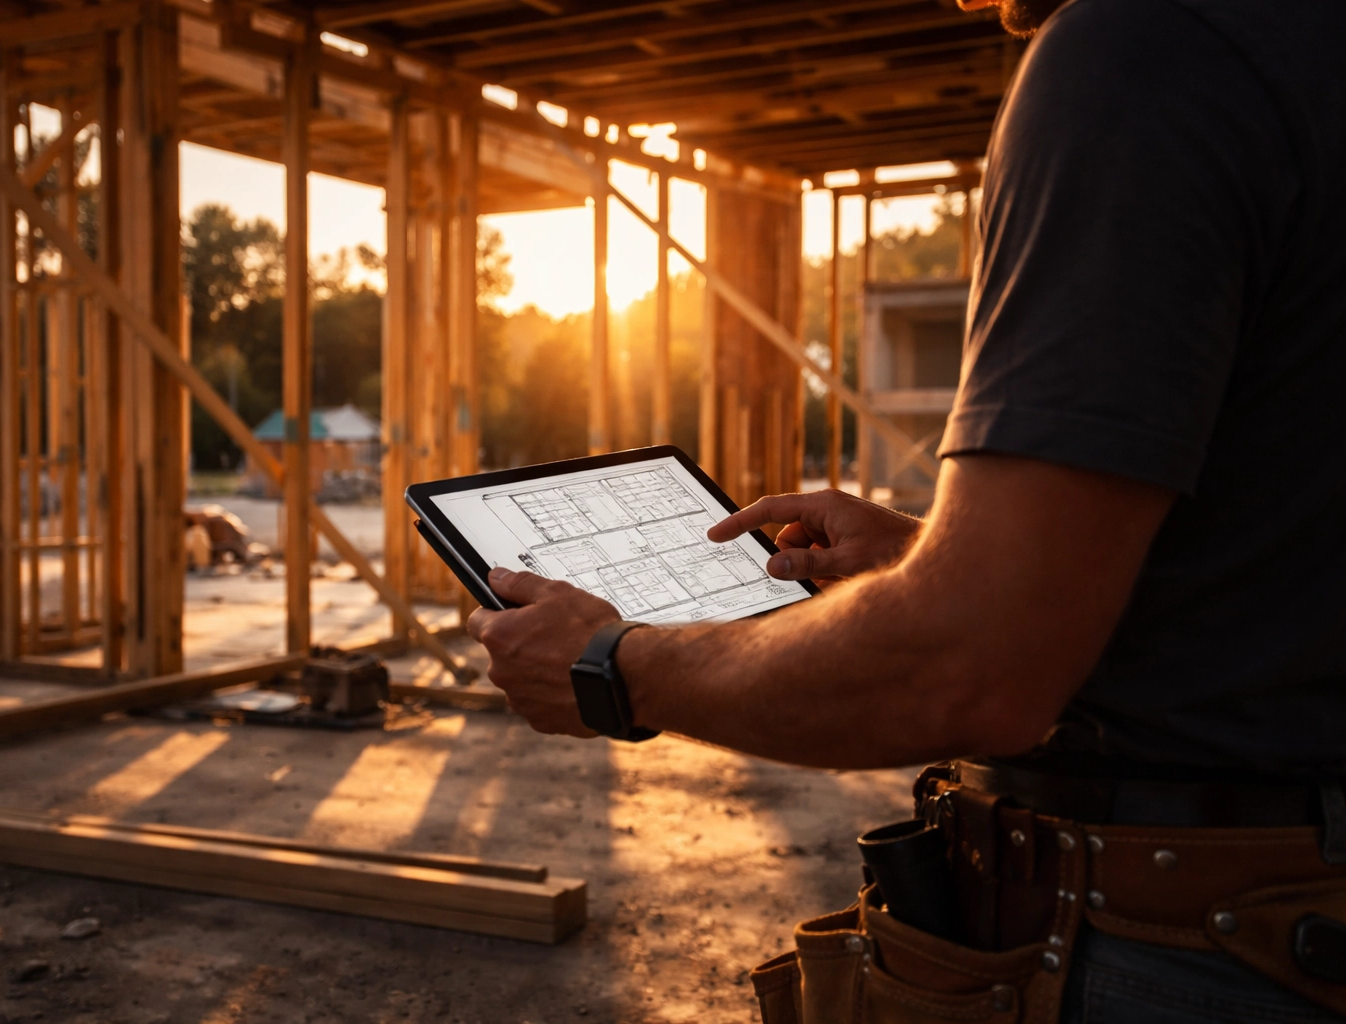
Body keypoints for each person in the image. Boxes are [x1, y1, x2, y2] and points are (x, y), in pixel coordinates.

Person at [466, 0, 1346, 1019]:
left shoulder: (1143, 49)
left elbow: (974, 667)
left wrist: (614, 666)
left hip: (1185, 950)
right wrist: (940, 555)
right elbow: (1278, 562)